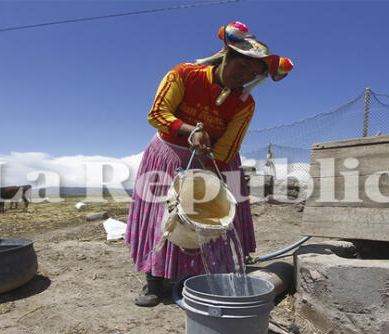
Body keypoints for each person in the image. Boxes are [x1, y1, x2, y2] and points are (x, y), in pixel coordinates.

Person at [125, 21, 293, 307]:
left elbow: (229, 145)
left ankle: (192, 279)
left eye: (253, 74)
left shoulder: (244, 103)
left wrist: (207, 170)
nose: (244, 77)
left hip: (216, 159)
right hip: (168, 153)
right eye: (241, 67)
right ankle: (154, 281)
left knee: (208, 218)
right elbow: (157, 113)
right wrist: (191, 130)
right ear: (226, 57)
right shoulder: (185, 74)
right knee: (164, 213)